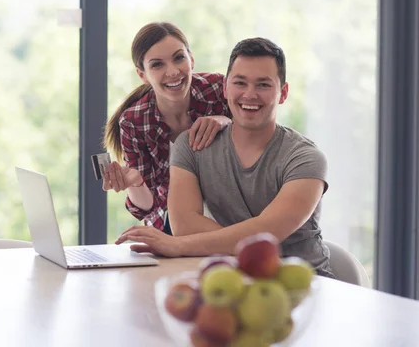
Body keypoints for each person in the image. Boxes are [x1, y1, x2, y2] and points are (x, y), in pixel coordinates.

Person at [115, 37, 334, 277]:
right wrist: (225, 240)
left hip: (306, 284)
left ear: (283, 93)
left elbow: (268, 231)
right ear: (226, 87)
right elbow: (185, 225)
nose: (250, 95)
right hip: (233, 280)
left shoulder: (306, 158)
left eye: (263, 85)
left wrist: (177, 245)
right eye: (240, 83)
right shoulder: (190, 147)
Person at [102, 22, 232, 235]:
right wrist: (135, 183)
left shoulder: (217, 90)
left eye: (179, 58)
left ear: (191, 59)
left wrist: (225, 121)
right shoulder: (133, 121)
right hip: (173, 230)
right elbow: (148, 208)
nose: (172, 72)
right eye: (157, 65)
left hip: (229, 217)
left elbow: (255, 136)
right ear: (142, 74)